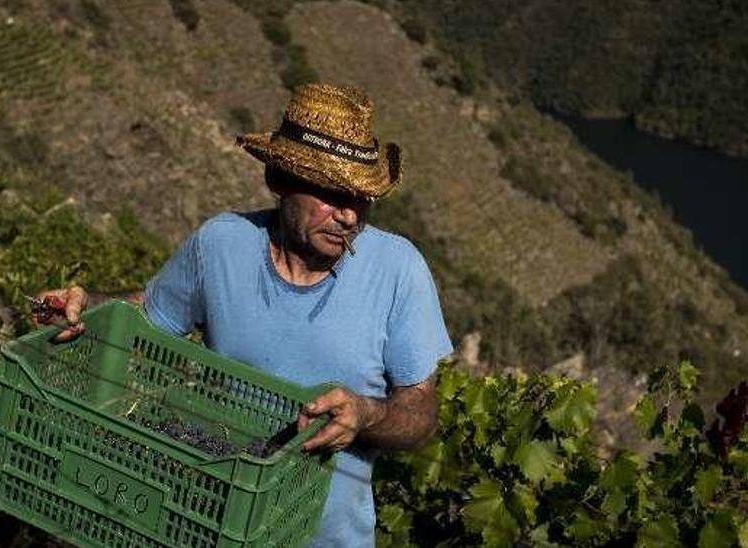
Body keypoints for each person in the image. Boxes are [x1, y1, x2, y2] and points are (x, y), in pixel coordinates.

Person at [37, 82, 452, 547]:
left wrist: (366, 414)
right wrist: (86, 307)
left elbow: (420, 414)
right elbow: (146, 316)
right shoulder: (220, 245)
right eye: (332, 195)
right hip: (213, 527)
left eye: (360, 199)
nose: (349, 216)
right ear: (279, 181)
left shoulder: (398, 270)